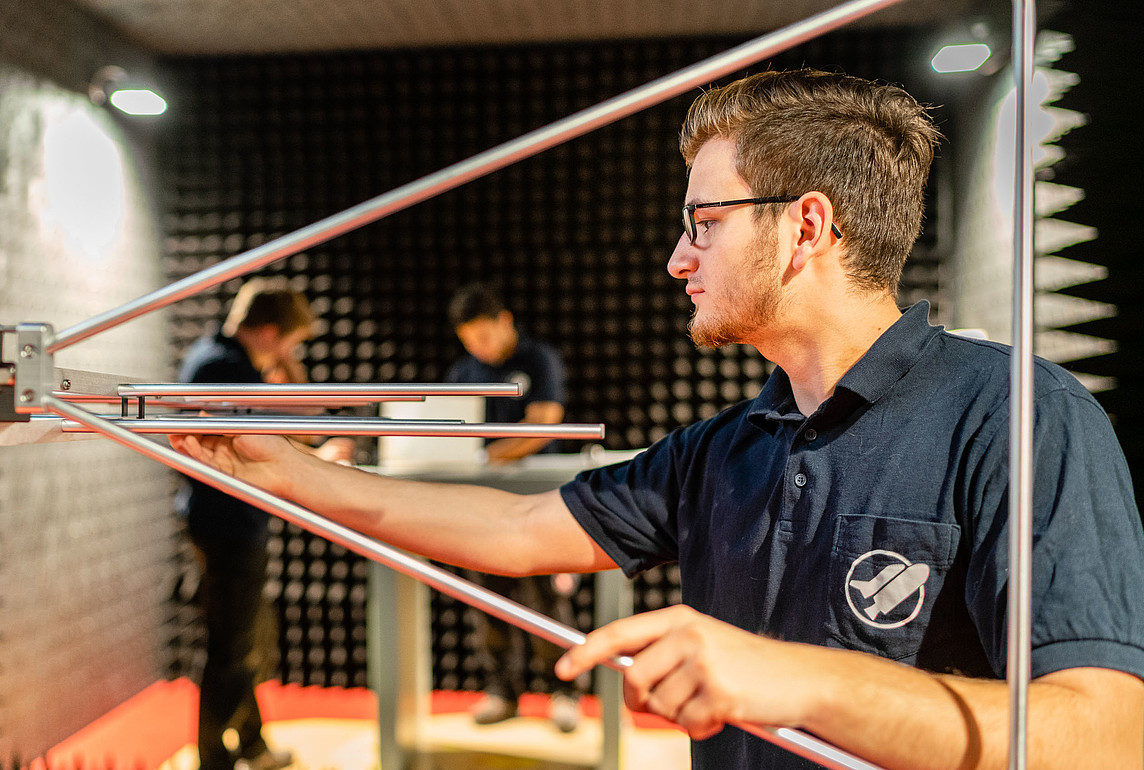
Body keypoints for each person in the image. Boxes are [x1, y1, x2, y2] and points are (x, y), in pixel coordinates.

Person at [172, 69, 1144, 769]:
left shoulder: (1020, 416)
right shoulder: (723, 448)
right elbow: (514, 528)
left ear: (807, 225)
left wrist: (786, 675)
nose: (679, 259)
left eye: (704, 223)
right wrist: (285, 470)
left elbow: (1100, 739)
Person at [175, 278, 350, 770]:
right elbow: (298, 421)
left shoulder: (222, 359)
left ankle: (251, 743)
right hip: (229, 525)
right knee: (231, 650)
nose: (294, 350)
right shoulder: (224, 368)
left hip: (225, 521)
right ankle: (213, 759)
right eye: (292, 340)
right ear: (269, 332)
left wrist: (280, 362)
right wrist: (318, 456)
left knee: (249, 641)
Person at [443, 283, 583, 732]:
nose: (478, 349)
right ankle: (502, 691)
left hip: (542, 496)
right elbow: (451, 429)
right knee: (489, 599)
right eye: (470, 341)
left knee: (547, 600)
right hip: (484, 501)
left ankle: (564, 691)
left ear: (504, 321)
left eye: (484, 336)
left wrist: (483, 457)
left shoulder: (538, 359)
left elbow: (543, 425)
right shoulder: (465, 372)